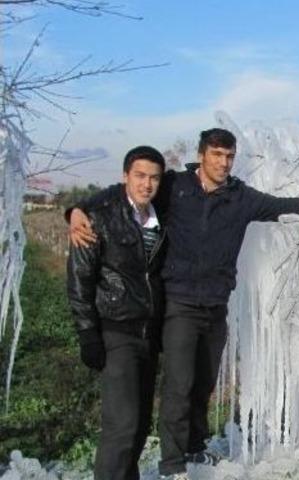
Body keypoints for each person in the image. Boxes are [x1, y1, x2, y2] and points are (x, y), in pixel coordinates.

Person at [69, 128, 299, 478]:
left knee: (202, 383)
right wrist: (76, 209)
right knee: (177, 384)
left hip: (215, 305)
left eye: (229, 156)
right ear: (202, 155)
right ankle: (173, 464)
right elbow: (123, 195)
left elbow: (274, 205)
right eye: (217, 155)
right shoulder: (175, 187)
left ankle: (193, 447)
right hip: (178, 304)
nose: (224, 162)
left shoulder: (240, 197)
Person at [67, 146, 167, 480]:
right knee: (121, 424)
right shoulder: (98, 218)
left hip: (148, 334)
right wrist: (87, 334)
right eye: (139, 175)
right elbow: (80, 280)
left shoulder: (159, 216)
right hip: (116, 331)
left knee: (138, 425)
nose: (147, 184)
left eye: (154, 177)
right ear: (125, 176)